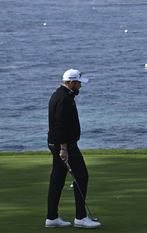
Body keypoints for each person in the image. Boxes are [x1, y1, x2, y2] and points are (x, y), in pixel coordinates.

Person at [45, 69, 101, 229]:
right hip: (65, 146)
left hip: (57, 144)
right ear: (71, 83)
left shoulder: (60, 94)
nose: (80, 87)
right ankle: (81, 217)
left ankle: (52, 217)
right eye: (78, 83)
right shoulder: (63, 99)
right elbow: (60, 125)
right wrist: (64, 148)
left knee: (57, 179)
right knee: (81, 176)